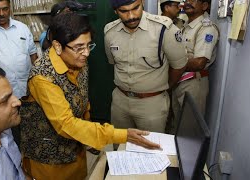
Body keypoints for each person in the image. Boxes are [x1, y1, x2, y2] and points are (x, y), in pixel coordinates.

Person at [20, 12, 161, 180]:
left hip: (76, 149)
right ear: (57, 46)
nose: (86, 53)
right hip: (50, 160)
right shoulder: (43, 78)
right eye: (79, 47)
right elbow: (66, 124)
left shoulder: (78, 60)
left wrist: (90, 137)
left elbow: (83, 101)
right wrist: (119, 134)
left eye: (89, 45)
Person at [104, 0, 187, 133]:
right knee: (120, 148)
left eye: (135, 8)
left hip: (152, 104)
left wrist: (162, 88)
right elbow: (113, 63)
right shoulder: (110, 32)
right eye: (124, 11)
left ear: (142, 3)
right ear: (115, 11)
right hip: (120, 102)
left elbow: (179, 66)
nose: (131, 16)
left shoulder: (163, 29)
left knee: (151, 149)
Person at [172, 0, 219, 127]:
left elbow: (199, 63)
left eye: (193, 0)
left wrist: (172, 62)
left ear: (204, 6)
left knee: (189, 128)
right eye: (186, 0)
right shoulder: (185, 26)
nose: (188, 2)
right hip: (178, 81)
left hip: (193, 83)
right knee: (177, 124)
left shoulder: (206, 28)